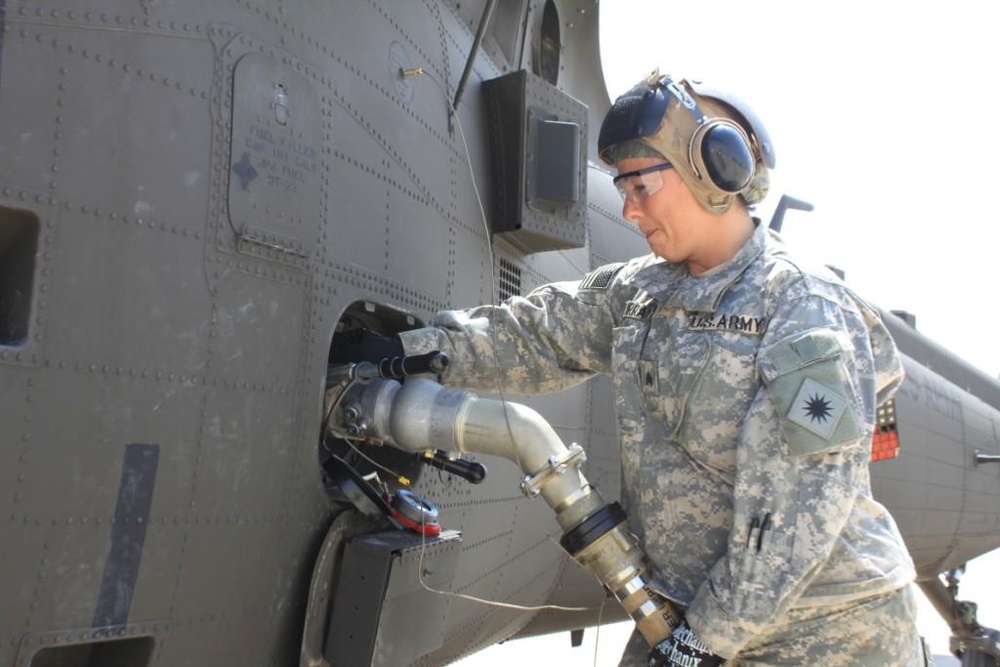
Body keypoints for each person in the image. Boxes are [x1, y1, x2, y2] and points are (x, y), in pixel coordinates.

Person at [393, 70, 923, 665]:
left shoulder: (801, 309)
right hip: (690, 617)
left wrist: (702, 642)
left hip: (826, 635)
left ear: (714, 171)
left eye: (641, 187)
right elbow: (539, 335)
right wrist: (421, 349)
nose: (629, 210)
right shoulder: (642, 293)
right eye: (622, 189)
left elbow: (793, 520)